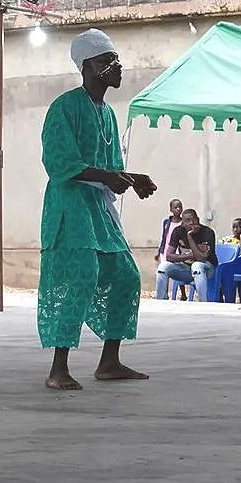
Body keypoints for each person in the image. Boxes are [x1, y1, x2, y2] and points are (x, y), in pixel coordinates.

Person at [40, 28, 153, 391]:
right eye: (107, 60)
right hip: (70, 206)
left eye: (116, 59)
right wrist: (111, 176)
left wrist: (135, 179)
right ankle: (58, 368)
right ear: (86, 66)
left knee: (125, 276)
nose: (116, 66)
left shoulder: (107, 113)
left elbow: (111, 166)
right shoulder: (64, 107)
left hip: (99, 209)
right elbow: (60, 163)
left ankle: (109, 361)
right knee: (80, 276)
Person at [155, 207, 217, 300]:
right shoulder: (178, 231)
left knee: (197, 265)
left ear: (198, 220)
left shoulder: (207, 232)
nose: (191, 222)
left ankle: (203, 304)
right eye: (188, 220)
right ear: (183, 223)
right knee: (163, 267)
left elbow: (201, 258)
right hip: (186, 269)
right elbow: (169, 256)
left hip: (207, 270)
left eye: (194, 219)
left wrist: (189, 236)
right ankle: (160, 301)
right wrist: (193, 254)